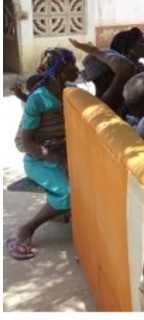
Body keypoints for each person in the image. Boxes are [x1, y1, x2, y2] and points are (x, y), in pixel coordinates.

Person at [5, 47, 80, 260]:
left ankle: (63, 214)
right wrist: (59, 160)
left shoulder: (70, 90)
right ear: (57, 72)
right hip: (39, 159)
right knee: (68, 192)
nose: (77, 69)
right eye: (71, 65)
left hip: (62, 154)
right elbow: (27, 143)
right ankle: (26, 229)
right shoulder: (39, 98)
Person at [71, 38, 136, 114]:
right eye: (114, 72)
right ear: (104, 77)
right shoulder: (107, 102)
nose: (117, 77)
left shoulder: (94, 100)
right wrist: (95, 52)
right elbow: (127, 68)